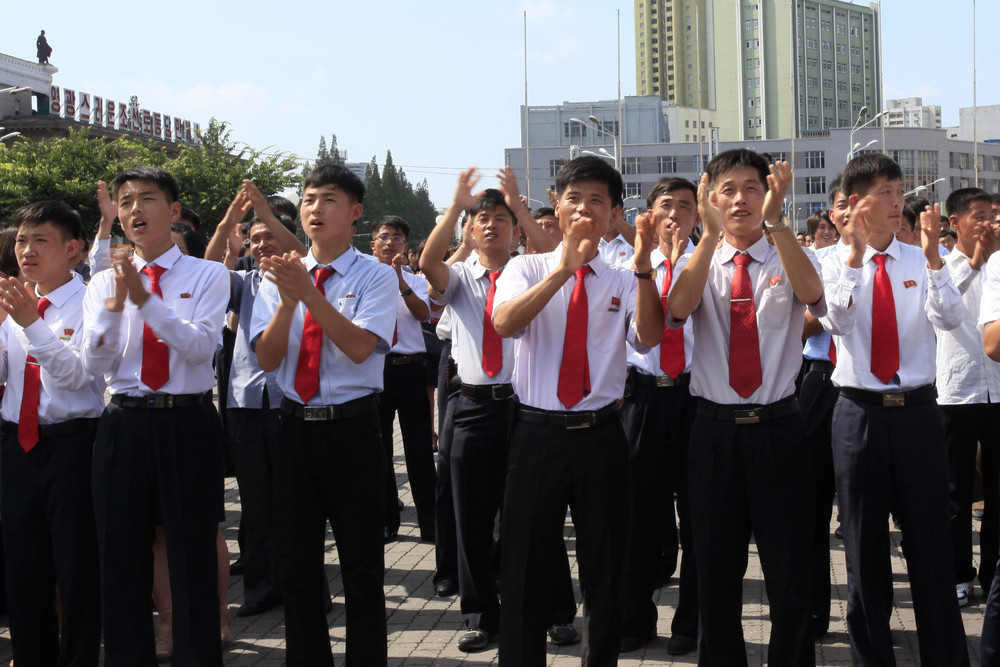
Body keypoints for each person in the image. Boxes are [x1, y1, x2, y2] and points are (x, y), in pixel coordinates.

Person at [492, 155, 664, 665]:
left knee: (604, 566)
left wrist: (645, 265)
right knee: (524, 566)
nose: (585, 209)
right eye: (575, 199)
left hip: (601, 434)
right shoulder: (525, 267)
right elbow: (504, 324)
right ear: (556, 205)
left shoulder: (621, 276)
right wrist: (562, 271)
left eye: (598, 201)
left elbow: (649, 336)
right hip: (535, 434)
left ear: (614, 215)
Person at [667, 149, 825, 664]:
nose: (740, 199)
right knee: (715, 570)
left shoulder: (789, 254)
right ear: (710, 198)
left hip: (779, 429)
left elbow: (814, 294)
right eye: (727, 189)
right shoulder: (701, 258)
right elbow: (678, 309)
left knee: (790, 571)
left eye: (751, 188)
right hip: (712, 433)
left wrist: (779, 224)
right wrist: (707, 237)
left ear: (768, 194)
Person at [820, 153, 967, 664]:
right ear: (856, 202)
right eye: (885, 191)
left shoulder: (920, 257)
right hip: (858, 414)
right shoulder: (831, 262)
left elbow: (948, 319)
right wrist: (857, 258)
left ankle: (945, 654)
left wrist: (932, 258)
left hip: (919, 414)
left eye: (899, 190)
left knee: (930, 542)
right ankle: (871, 656)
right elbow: (836, 320)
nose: (897, 201)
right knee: (863, 549)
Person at [82, 166, 230, 666]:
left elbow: (197, 347)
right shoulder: (103, 278)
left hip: (186, 422)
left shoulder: (207, 274)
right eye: (125, 202)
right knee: (120, 559)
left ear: (173, 211)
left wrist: (144, 300)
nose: (134, 210)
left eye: (147, 199)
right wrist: (114, 304)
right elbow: (93, 363)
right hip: (123, 424)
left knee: (190, 558)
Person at [251, 164, 396, 666]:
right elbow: (267, 360)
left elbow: (360, 347)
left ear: (355, 213)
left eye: (328, 199)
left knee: (361, 565)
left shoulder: (376, 275)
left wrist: (310, 294)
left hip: (354, 428)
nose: (315, 208)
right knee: (297, 565)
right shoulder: (277, 275)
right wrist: (289, 300)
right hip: (293, 428)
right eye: (309, 199)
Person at [421, 167, 565, 652]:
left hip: (526, 408)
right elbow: (427, 263)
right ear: (470, 228)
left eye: (501, 219)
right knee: (472, 517)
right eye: (482, 219)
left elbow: (554, 253)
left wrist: (520, 204)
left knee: (535, 514)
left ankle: (555, 611)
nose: (492, 225)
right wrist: (455, 206)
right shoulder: (461, 277)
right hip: (472, 406)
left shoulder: (531, 269)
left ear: (515, 228)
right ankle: (483, 614)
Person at [0, 201, 103, 666]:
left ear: (74, 248)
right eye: (21, 240)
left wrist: (32, 325)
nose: (27, 250)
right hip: (16, 447)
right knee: (23, 569)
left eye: (40, 240)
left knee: (77, 568)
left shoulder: (92, 302)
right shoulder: (15, 300)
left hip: (74, 445)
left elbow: (79, 377)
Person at [618, 177, 699, 656]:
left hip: (694, 399)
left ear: (696, 217)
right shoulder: (623, 268)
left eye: (686, 206)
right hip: (641, 399)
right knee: (635, 516)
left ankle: (691, 623)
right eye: (665, 205)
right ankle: (633, 618)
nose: (675, 214)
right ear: (647, 215)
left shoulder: (710, 265)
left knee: (700, 516)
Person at [934, 187, 1000, 608]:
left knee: (997, 491)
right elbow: (943, 307)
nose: (988, 222)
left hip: (998, 390)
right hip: (956, 391)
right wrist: (977, 262)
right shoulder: (941, 266)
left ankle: (993, 572)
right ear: (954, 222)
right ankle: (958, 573)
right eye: (978, 215)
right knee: (955, 491)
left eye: (992, 214)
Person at [369, 215, 437, 543]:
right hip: (376, 370)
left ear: (405, 246)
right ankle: (386, 518)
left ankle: (430, 522)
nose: (390, 242)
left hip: (411, 369)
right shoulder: (361, 280)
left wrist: (399, 279)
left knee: (419, 448)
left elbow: (423, 315)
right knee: (379, 448)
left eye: (397, 238)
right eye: (384, 237)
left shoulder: (417, 280)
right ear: (373, 244)